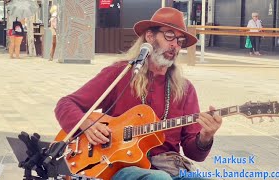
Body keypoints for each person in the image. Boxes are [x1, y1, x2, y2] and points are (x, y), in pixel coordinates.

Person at [54, 7, 222, 179]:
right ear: (150, 37)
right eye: (169, 36)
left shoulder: (185, 89)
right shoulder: (120, 73)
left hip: (168, 166)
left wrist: (206, 136)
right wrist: (86, 124)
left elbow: (194, 154)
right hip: (120, 165)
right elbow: (65, 104)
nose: (175, 45)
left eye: (180, 40)